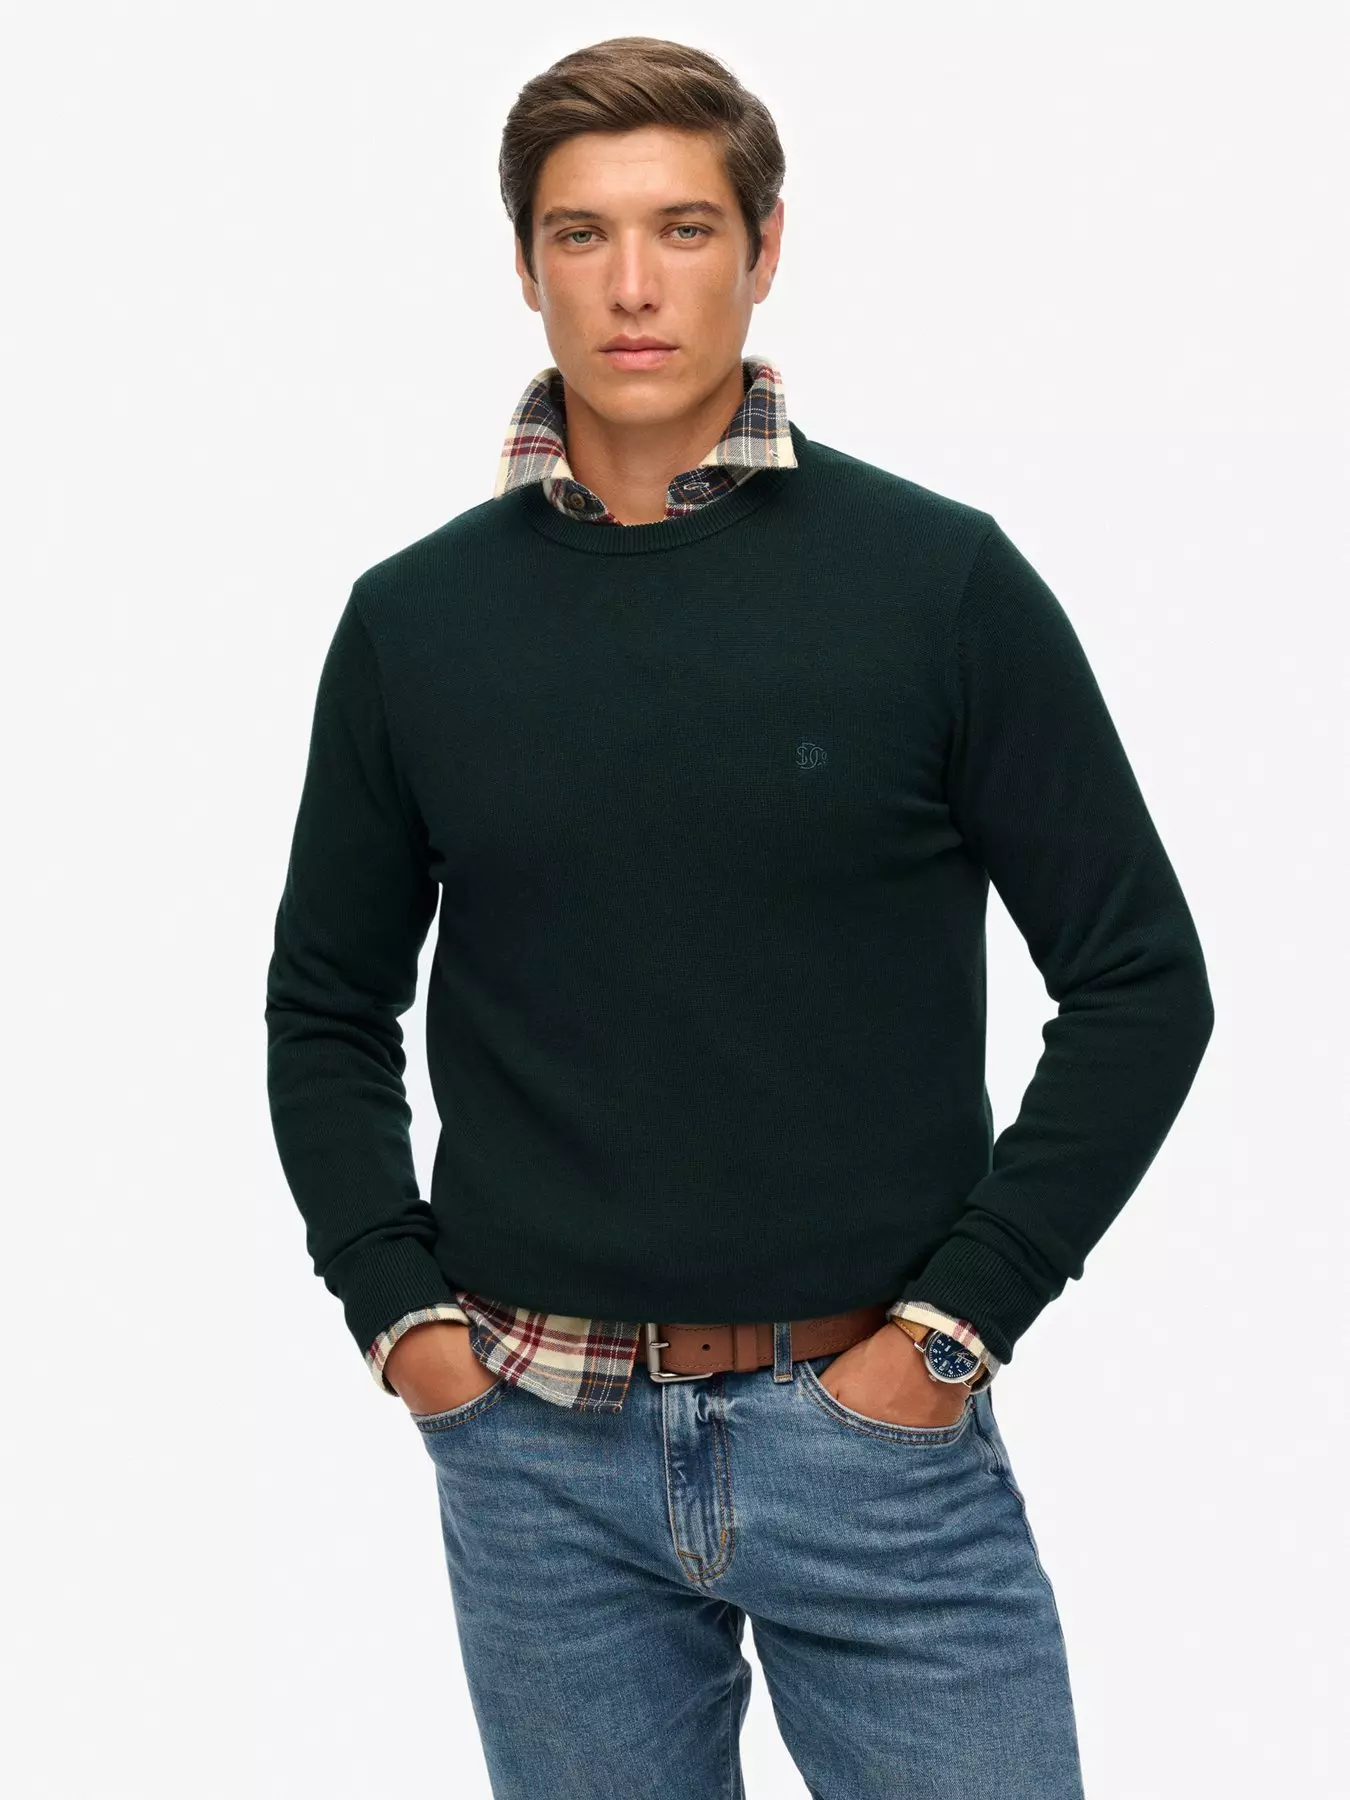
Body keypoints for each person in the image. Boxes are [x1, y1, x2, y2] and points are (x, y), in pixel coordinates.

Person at [264, 35, 1214, 1800]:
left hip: (870, 1435)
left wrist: (952, 1330)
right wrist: (403, 1321)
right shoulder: (413, 623)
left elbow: (1141, 982)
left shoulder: (937, 584)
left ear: (763, 248)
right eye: (581, 234)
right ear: (525, 262)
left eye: (683, 228)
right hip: (533, 1452)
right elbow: (327, 1004)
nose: (631, 285)